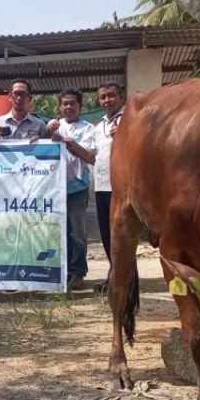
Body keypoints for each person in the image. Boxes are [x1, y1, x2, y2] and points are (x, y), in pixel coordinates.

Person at [45, 88, 98, 291]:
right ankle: (63, 271)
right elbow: (38, 145)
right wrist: (48, 132)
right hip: (54, 189)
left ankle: (78, 272)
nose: (68, 107)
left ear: (80, 106)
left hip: (77, 188)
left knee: (78, 233)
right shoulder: (53, 126)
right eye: (65, 103)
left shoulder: (87, 129)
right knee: (60, 232)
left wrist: (65, 142)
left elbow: (89, 156)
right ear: (59, 107)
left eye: (72, 103)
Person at [92, 82, 125, 275]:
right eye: (103, 97)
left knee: (122, 235)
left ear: (121, 97)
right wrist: (69, 145)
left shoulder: (131, 120)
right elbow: (92, 157)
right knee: (106, 235)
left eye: (111, 96)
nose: (107, 100)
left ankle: (127, 280)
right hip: (102, 187)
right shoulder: (98, 127)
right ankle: (115, 275)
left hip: (121, 188)